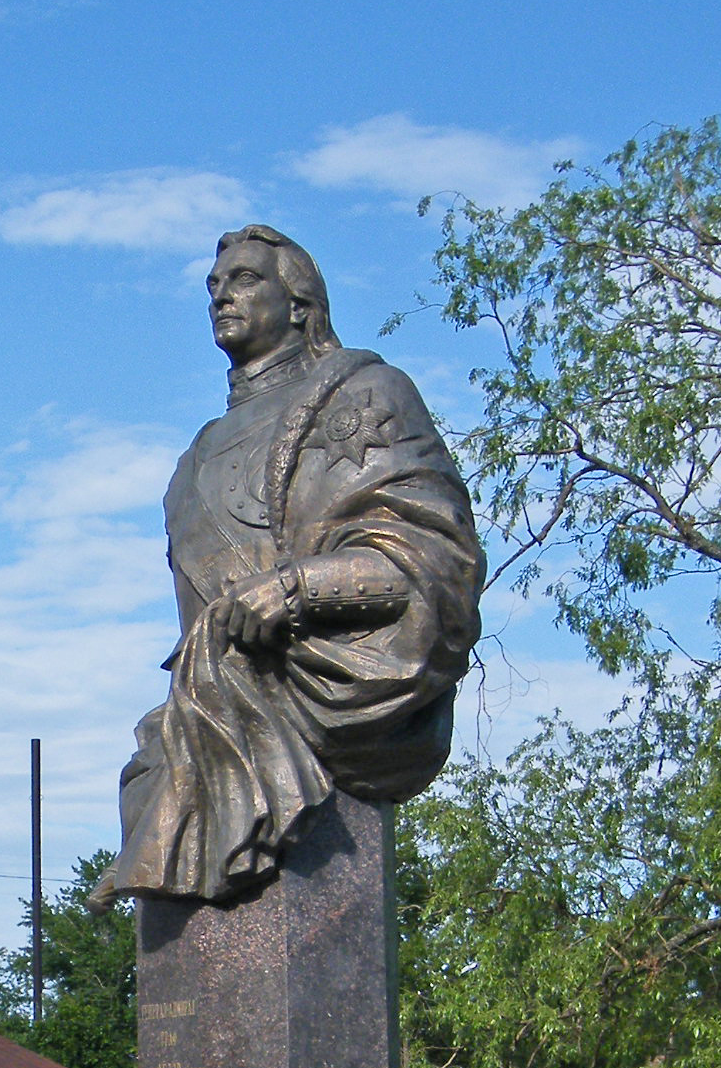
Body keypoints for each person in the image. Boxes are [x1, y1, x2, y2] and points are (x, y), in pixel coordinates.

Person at [93, 226, 483, 906]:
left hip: (326, 688)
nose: (221, 296)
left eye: (244, 279)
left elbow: (433, 559)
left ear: (300, 302)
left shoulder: (364, 397)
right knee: (156, 778)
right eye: (213, 286)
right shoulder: (197, 457)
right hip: (214, 701)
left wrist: (297, 589)